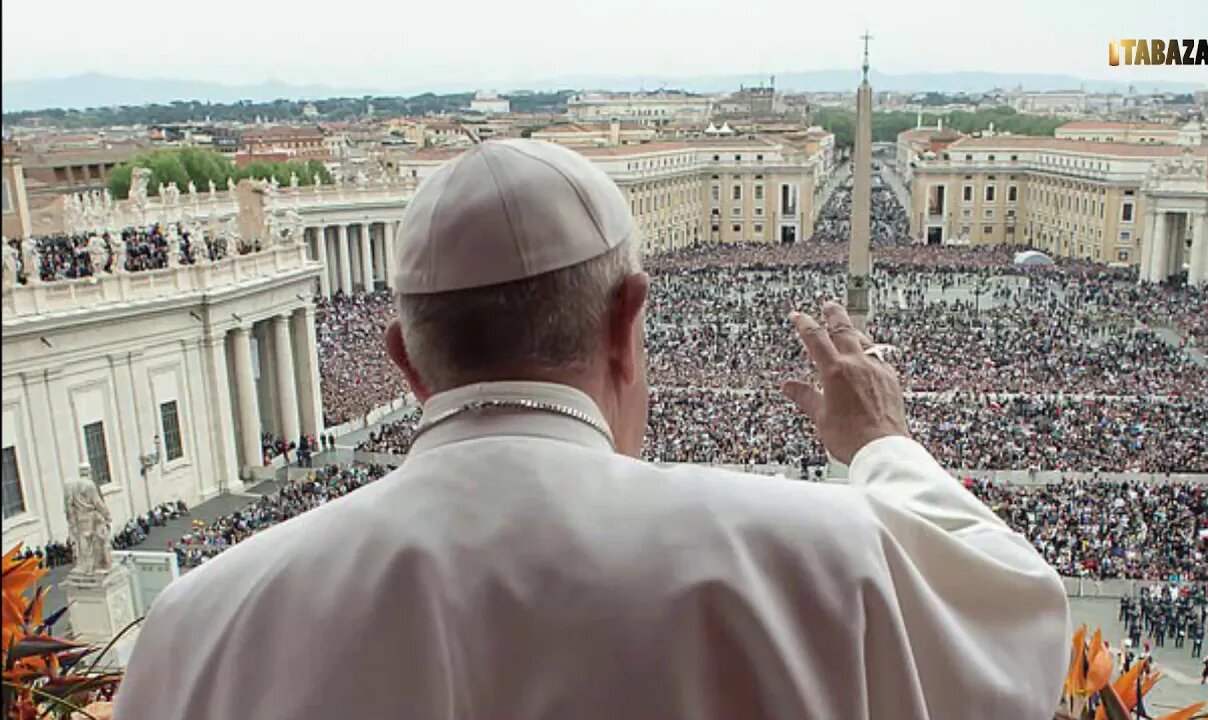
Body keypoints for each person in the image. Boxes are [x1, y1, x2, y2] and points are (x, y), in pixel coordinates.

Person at [114, 139, 1071, 720]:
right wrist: (881, 444)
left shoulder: (196, 629)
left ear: (404, 361)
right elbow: (1020, 620)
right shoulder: (822, 556)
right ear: (627, 323)